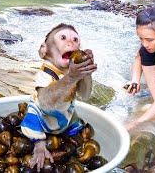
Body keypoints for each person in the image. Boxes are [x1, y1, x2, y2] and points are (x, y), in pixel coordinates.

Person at [20, 23, 97, 171]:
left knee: (78, 125)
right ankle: (39, 143)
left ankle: (69, 139)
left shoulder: (72, 73)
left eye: (75, 40)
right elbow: (45, 103)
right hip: (43, 117)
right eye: (63, 38)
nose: (71, 43)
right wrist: (71, 78)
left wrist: (86, 73)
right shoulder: (46, 73)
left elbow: (86, 95)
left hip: (65, 117)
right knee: (33, 117)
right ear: (45, 50)